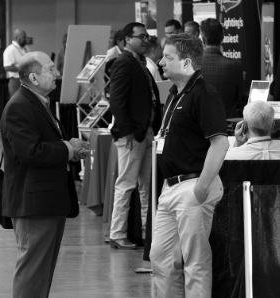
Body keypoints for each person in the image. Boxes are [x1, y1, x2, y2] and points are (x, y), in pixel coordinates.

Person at [0, 51, 90, 298]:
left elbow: (41, 142)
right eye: (50, 69)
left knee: (42, 272)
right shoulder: (19, 107)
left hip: (47, 201)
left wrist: (67, 145)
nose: (57, 73)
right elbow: (31, 152)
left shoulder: (37, 102)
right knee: (32, 272)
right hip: (34, 205)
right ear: (34, 77)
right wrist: (67, 149)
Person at [150, 33, 229, 298]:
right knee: (160, 259)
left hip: (192, 187)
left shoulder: (204, 94)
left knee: (195, 263)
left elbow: (220, 144)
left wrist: (201, 188)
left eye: (168, 57)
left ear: (186, 63)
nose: (161, 62)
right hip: (170, 188)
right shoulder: (174, 93)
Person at [109, 22, 162, 250]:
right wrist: (128, 132)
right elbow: (117, 102)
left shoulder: (140, 62)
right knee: (126, 184)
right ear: (127, 39)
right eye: (141, 36)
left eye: (147, 36)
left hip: (146, 131)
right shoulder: (124, 62)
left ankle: (145, 232)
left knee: (146, 187)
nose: (145, 40)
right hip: (133, 135)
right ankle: (117, 233)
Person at [200, 18, 243, 118]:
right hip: (227, 124)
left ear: (202, 38)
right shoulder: (235, 65)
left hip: (199, 125)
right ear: (222, 37)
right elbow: (239, 97)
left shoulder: (192, 65)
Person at [3, 29, 30, 98]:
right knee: (17, 102)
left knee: (27, 102)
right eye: (24, 37)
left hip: (27, 80)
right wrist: (23, 68)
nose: (25, 39)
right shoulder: (10, 50)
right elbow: (7, 67)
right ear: (17, 37)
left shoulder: (26, 49)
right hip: (16, 81)